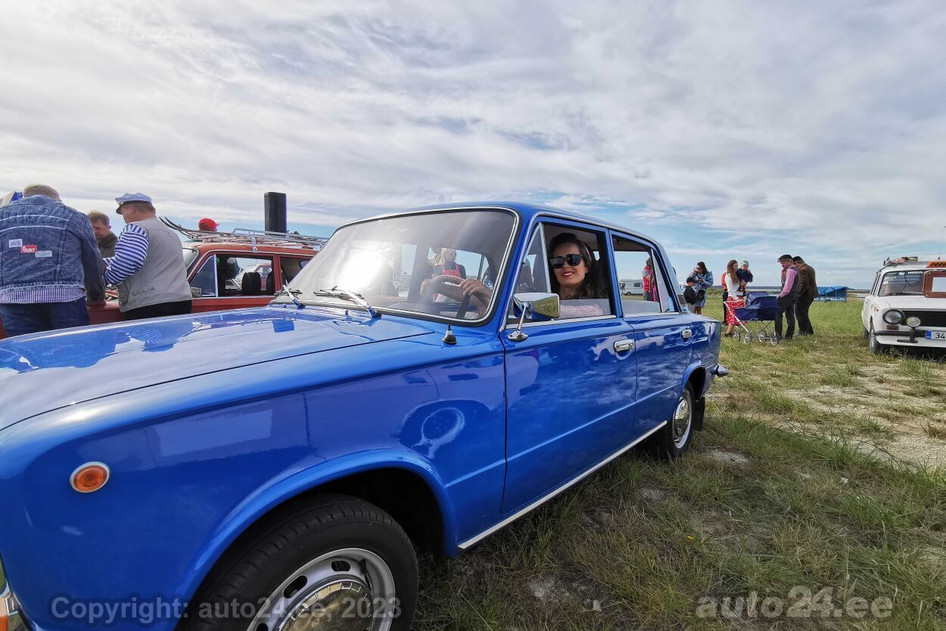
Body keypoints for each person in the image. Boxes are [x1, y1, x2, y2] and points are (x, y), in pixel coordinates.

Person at [0, 184, 105, 337]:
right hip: (65, 299)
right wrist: (96, 295)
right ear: (57, 199)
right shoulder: (74, 216)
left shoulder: (3, 215)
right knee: (72, 353)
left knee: (27, 354)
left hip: (14, 300)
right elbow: (92, 261)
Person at [105, 193, 192, 320]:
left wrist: (105, 278)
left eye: (123, 212)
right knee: (174, 340)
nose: (124, 218)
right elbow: (151, 260)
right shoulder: (171, 233)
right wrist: (102, 262)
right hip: (181, 301)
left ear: (131, 209)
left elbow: (129, 260)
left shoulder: (135, 228)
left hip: (149, 304)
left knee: (151, 340)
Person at [775, 254, 799, 340]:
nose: (782, 265)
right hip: (793, 294)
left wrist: (779, 297)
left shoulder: (790, 271)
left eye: (783, 262)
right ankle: (789, 336)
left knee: (777, 312)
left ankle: (778, 335)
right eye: (781, 263)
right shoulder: (793, 270)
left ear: (790, 261)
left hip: (787, 294)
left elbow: (787, 287)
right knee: (790, 314)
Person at [793, 256, 818, 336]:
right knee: (804, 313)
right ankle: (809, 331)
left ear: (796, 262)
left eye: (794, 265)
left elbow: (802, 283)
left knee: (800, 313)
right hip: (810, 294)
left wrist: (797, 294)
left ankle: (803, 332)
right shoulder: (810, 268)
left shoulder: (802, 270)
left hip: (804, 295)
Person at [721, 259, 743, 336]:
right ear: (730, 267)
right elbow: (730, 290)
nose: (736, 268)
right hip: (732, 299)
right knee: (733, 316)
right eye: (734, 266)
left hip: (737, 297)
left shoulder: (736, 275)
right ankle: (727, 333)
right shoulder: (728, 276)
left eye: (737, 266)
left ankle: (730, 332)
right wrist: (737, 299)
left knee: (737, 316)